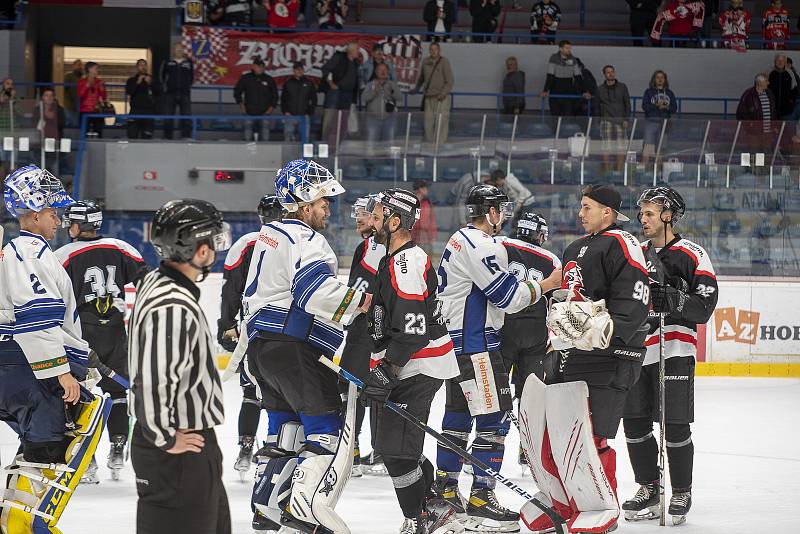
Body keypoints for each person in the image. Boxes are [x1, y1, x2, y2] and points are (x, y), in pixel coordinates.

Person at [243, 159, 371, 533]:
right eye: (322, 202)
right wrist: (359, 303)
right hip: (293, 347)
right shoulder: (307, 239)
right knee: (325, 431)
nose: (327, 209)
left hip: (262, 349)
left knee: (284, 428)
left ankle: (266, 508)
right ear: (302, 201)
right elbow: (311, 292)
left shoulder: (269, 234)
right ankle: (304, 512)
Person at [522, 185, 649, 534]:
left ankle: (601, 506)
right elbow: (563, 303)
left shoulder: (623, 243)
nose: (580, 213)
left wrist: (612, 332)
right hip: (572, 351)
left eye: (587, 207)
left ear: (607, 211)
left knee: (591, 437)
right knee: (557, 435)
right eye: (581, 206)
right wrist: (555, 341)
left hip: (610, 356)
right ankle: (564, 501)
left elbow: (636, 297)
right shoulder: (574, 248)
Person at [435, 184, 562, 532]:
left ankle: (445, 490)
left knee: (457, 419)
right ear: (490, 212)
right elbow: (508, 297)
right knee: (494, 423)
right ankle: (480, 497)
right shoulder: (482, 244)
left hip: (457, 344)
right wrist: (548, 284)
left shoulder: (458, 239)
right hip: (477, 345)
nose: (503, 216)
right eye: (501, 210)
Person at [0, 165, 106, 533]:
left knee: (38, 448)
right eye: (51, 212)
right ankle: (28, 526)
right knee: (56, 445)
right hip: (29, 368)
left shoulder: (18, 252)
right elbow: (37, 316)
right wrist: (60, 370)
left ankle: (15, 521)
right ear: (32, 213)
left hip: (15, 364)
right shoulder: (30, 250)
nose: (58, 219)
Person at [129, 199, 231, 534]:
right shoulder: (172, 304)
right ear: (200, 251)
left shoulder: (159, 283)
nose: (218, 247)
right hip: (177, 451)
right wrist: (164, 437)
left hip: (186, 446)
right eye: (214, 240)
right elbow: (153, 381)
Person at [362, 189, 461, 534]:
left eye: (377, 216)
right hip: (414, 363)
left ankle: (420, 517)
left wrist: (388, 371)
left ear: (394, 221)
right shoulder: (395, 257)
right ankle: (430, 504)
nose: (371, 222)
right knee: (398, 445)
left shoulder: (405, 262)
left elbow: (413, 329)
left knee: (395, 450)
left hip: (419, 365)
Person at [621, 186, 718, 526]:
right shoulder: (635, 254)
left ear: (668, 214)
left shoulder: (692, 253)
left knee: (674, 423)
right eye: (641, 213)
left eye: (649, 212)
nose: (641, 219)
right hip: (636, 349)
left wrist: (675, 301)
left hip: (674, 349)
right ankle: (649, 487)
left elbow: (704, 306)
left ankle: (681, 490)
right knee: (633, 421)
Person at [54, 200, 149, 483]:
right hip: (117, 332)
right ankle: (118, 448)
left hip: (81, 335)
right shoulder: (121, 247)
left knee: (81, 394)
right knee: (119, 391)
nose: (66, 225)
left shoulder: (62, 255)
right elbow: (146, 281)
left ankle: (88, 458)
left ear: (80, 224)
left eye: (70, 220)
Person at [217, 196, 283, 484]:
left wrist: (226, 324)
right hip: (288, 329)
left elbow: (230, 290)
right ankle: (280, 448)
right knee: (284, 395)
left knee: (250, 392)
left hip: (254, 329)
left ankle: (246, 448)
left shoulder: (246, 242)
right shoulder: (301, 240)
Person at [498, 210, 560, 467]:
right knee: (531, 395)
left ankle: (489, 440)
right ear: (540, 234)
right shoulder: (552, 259)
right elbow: (557, 299)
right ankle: (528, 449)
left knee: (496, 391)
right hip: (535, 332)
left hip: (503, 327)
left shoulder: (501, 244)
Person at [337, 195, 386, 479]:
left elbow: (357, 294)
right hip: (375, 333)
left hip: (365, 333)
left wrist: (340, 316)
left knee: (355, 390)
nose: (358, 218)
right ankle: (374, 452)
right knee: (373, 391)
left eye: (365, 214)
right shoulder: (373, 245)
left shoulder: (372, 247)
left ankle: (353, 452)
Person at [321, 41, 360, 148]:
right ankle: (325, 144)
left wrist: (354, 98)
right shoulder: (339, 57)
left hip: (348, 94)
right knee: (330, 119)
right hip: (336, 92)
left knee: (343, 121)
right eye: (357, 49)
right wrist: (331, 83)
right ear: (351, 51)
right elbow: (325, 69)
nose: (359, 52)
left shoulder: (356, 63)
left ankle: (338, 145)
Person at [415, 42, 454, 144]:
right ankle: (429, 144)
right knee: (428, 123)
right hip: (428, 97)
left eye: (435, 49)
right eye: (431, 49)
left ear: (439, 50)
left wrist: (442, 94)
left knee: (441, 123)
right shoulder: (425, 61)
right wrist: (416, 88)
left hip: (441, 98)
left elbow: (449, 81)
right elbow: (422, 78)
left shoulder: (444, 62)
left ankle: (440, 145)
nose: (433, 51)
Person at [234, 58, 279, 142]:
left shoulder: (269, 79)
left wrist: (270, 110)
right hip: (249, 112)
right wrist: (242, 107)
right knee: (248, 137)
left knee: (265, 136)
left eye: (262, 66)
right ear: (253, 66)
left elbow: (275, 96)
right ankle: (249, 152)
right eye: (259, 66)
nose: (261, 68)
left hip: (265, 113)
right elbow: (237, 92)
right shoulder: (246, 78)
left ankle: (264, 153)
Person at [596, 65, 632, 172]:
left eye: (612, 72)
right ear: (604, 74)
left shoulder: (622, 87)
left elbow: (627, 104)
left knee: (620, 149)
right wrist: (599, 121)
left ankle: (619, 172)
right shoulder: (600, 89)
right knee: (606, 148)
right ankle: (606, 173)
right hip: (606, 121)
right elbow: (596, 106)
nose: (610, 74)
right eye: (608, 72)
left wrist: (626, 119)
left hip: (621, 121)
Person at [541, 40, 588, 117]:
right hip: (555, 92)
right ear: (560, 49)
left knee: (567, 116)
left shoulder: (573, 60)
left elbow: (578, 77)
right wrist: (545, 90)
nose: (569, 50)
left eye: (570, 48)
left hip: (568, 92)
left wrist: (584, 91)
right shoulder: (554, 58)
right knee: (555, 117)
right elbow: (550, 76)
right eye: (567, 48)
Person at [641, 70, 677, 165]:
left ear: (665, 80)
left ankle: (658, 171)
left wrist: (667, 107)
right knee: (648, 147)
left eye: (662, 77)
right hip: (651, 122)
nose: (660, 79)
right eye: (658, 77)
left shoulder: (669, 93)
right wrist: (656, 105)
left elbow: (674, 108)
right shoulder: (649, 92)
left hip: (664, 123)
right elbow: (644, 106)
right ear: (654, 79)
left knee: (661, 148)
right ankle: (645, 169)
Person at [159, 43, 194, 140]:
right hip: (170, 93)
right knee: (168, 115)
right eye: (177, 49)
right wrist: (167, 86)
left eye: (181, 49)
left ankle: (186, 136)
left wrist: (186, 86)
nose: (179, 50)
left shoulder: (188, 62)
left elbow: (191, 77)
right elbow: (161, 76)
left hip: (184, 93)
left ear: (183, 50)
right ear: (173, 51)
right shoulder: (167, 62)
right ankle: (167, 136)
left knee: (186, 115)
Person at [362, 63, 401, 148]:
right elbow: (364, 98)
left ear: (388, 72)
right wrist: (374, 91)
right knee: (371, 144)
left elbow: (399, 97)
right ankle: (370, 161)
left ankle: (389, 161)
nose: (383, 72)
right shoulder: (370, 84)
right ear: (376, 72)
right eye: (380, 70)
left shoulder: (392, 84)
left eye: (385, 70)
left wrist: (392, 91)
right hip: (373, 119)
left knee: (390, 144)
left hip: (389, 119)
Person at [736, 74, 776, 153]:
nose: (768, 83)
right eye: (766, 81)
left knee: (767, 154)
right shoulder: (748, 95)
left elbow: (773, 111)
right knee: (754, 152)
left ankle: (766, 166)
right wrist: (750, 126)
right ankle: (753, 165)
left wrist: (774, 125)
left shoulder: (769, 93)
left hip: (768, 131)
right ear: (760, 83)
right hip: (754, 132)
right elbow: (741, 113)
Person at [281, 61, 317, 142]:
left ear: (303, 70)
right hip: (290, 115)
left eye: (301, 69)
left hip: (304, 116)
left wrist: (309, 112)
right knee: (288, 138)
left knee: (305, 138)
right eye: (297, 69)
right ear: (293, 70)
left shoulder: (309, 83)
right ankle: (288, 154)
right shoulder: (288, 83)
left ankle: (303, 155)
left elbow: (314, 99)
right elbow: (283, 99)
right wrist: (285, 111)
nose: (299, 71)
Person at [125, 59, 159, 139]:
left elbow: (159, 92)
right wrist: (137, 82)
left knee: (147, 137)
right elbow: (129, 91)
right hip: (135, 111)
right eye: (141, 65)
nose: (143, 67)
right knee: (132, 136)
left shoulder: (152, 79)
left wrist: (150, 83)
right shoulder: (131, 80)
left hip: (149, 112)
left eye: (145, 65)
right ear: (137, 67)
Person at [77, 61, 108, 137]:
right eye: (95, 69)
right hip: (85, 110)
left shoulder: (99, 82)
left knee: (98, 131)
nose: (97, 71)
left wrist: (102, 88)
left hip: (97, 110)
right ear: (89, 69)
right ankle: (83, 147)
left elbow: (104, 97)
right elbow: (80, 94)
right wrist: (87, 86)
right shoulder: (81, 82)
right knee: (84, 132)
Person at [411, 179, 438, 257]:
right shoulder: (411, 203)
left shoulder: (428, 203)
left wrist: (433, 235)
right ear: (420, 189)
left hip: (425, 239)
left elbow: (432, 220)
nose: (427, 190)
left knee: (427, 261)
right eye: (425, 188)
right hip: (413, 239)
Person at [768, 53, 795, 119]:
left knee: (785, 128)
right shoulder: (768, 72)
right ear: (775, 61)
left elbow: (795, 89)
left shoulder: (790, 73)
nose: (780, 62)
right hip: (771, 109)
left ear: (785, 62)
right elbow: (764, 89)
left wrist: (791, 101)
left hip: (786, 110)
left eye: (782, 60)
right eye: (778, 60)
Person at [63, 59, 83, 126]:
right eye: (78, 65)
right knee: (69, 123)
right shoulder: (69, 76)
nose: (80, 67)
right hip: (70, 104)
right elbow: (65, 88)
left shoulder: (83, 78)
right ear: (73, 66)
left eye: (81, 65)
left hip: (80, 105)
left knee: (77, 123)